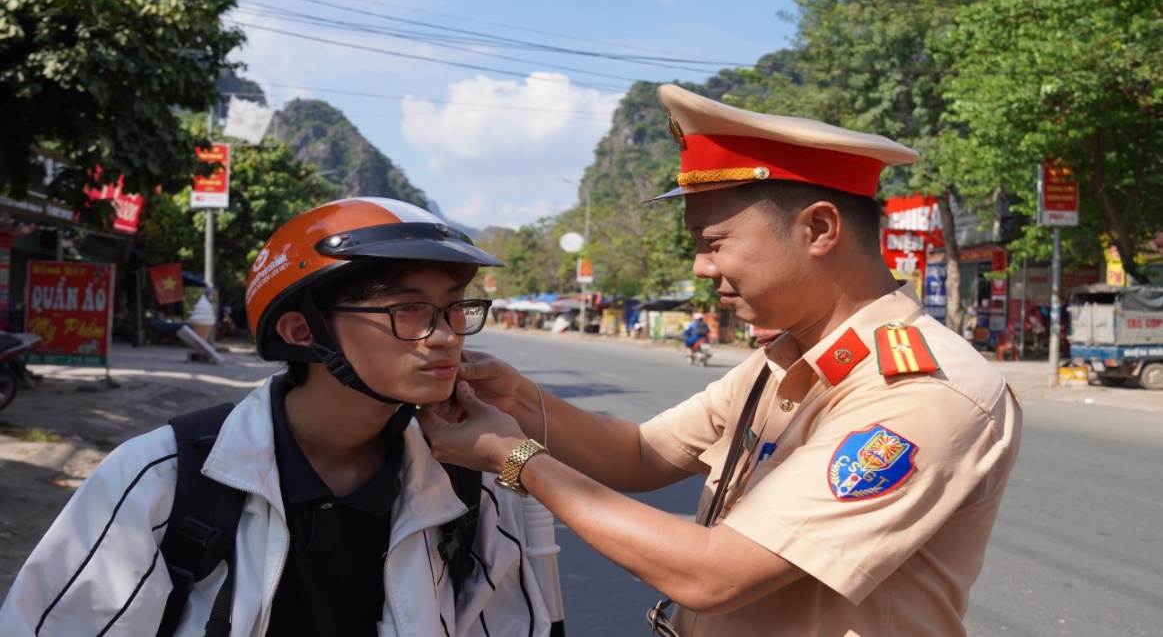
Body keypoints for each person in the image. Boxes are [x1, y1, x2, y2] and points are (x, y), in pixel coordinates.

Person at [418, 85, 1022, 635]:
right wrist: (516, 399)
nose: (702, 270)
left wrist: (514, 456)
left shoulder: (919, 389)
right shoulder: (784, 359)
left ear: (818, 229)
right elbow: (640, 454)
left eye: (714, 244)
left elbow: (714, 576)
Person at [0, 198, 558, 636]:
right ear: (301, 330)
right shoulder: (165, 476)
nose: (445, 336)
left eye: (456, 307)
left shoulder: (469, 481)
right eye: (408, 309)